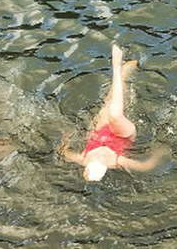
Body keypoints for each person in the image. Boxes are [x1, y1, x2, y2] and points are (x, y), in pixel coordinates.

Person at [59, 44, 165, 182]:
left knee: (109, 101)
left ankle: (124, 74)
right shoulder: (118, 161)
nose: (99, 156)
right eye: (102, 160)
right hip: (122, 135)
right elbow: (145, 166)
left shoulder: (83, 159)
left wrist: (65, 139)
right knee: (115, 115)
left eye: (95, 158)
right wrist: (160, 151)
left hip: (99, 133)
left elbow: (65, 153)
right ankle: (117, 65)